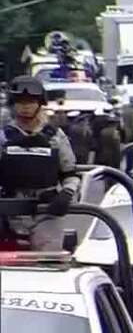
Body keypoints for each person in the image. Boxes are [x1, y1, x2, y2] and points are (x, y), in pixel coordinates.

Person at [0, 77, 80, 251]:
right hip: (7, 212)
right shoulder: (3, 137)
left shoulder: (54, 136)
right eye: (20, 102)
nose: (25, 106)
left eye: (30, 101)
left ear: (40, 103)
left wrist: (66, 194)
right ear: (12, 104)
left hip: (45, 213)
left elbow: (70, 174)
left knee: (48, 263)